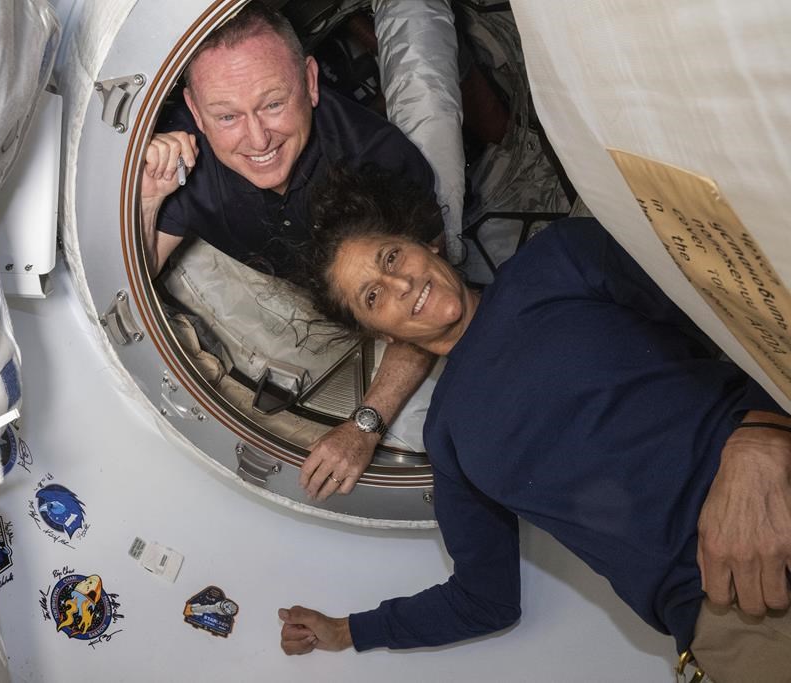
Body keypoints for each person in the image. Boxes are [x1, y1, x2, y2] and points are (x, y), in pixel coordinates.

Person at [277, 167, 791, 682]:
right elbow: (484, 600)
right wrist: (348, 631)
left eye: (392, 257)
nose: (401, 283)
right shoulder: (449, 438)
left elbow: (745, 310)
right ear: (378, 333)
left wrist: (763, 436)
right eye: (373, 296)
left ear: (425, 244)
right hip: (731, 614)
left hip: (775, 486)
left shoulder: (558, 258)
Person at [140, 2, 442, 500]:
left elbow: (431, 305)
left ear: (310, 81)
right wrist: (150, 198)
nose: (257, 138)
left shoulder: (380, 161)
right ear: (195, 111)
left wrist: (364, 426)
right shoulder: (184, 155)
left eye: (274, 104)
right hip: (298, 282)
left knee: (428, 99)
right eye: (227, 115)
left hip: (384, 271)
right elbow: (139, 269)